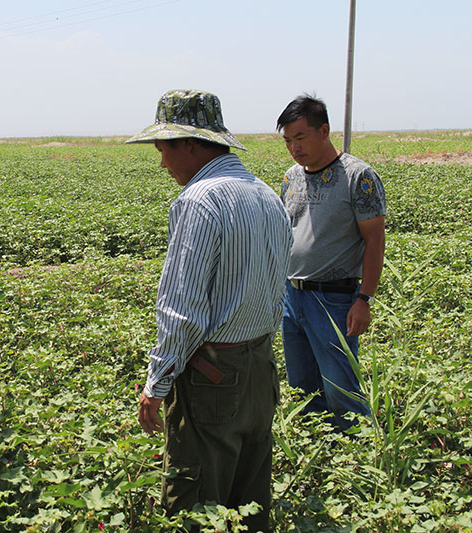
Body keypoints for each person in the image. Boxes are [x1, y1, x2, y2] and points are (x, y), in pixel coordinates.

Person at [127, 89, 292, 531]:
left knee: (197, 502)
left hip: (211, 377)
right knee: (249, 496)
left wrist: (157, 383)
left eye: (163, 149)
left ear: (189, 144)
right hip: (259, 366)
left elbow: (181, 308)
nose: (162, 163)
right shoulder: (266, 194)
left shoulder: (199, 200)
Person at [276, 94, 386, 431]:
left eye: (300, 137)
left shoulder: (358, 176)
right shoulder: (291, 177)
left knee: (341, 388)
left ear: (324, 130)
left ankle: (357, 448)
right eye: (288, 140)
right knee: (302, 387)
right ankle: (319, 450)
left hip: (334, 298)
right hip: (292, 296)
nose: (294, 148)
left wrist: (364, 299)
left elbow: (374, 240)